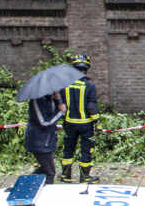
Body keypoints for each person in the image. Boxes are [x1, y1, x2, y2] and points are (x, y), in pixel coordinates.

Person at [59, 53, 100, 183]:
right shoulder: (89, 86)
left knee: (68, 149)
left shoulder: (65, 85)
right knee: (86, 150)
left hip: (69, 123)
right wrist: (97, 122)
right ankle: (85, 177)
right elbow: (91, 106)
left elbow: (61, 104)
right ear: (86, 69)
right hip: (86, 125)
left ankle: (66, 175)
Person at [25, 92, 64, 184]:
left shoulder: (50, 99)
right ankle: (28, 185)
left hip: (47, 140)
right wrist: (60, 112)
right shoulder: (36, 100)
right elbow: (44, 122)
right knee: (50, 172)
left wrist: (57, 99)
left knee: (45, 169)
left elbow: (52, 116)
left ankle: (24, 184)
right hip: (38, 141)